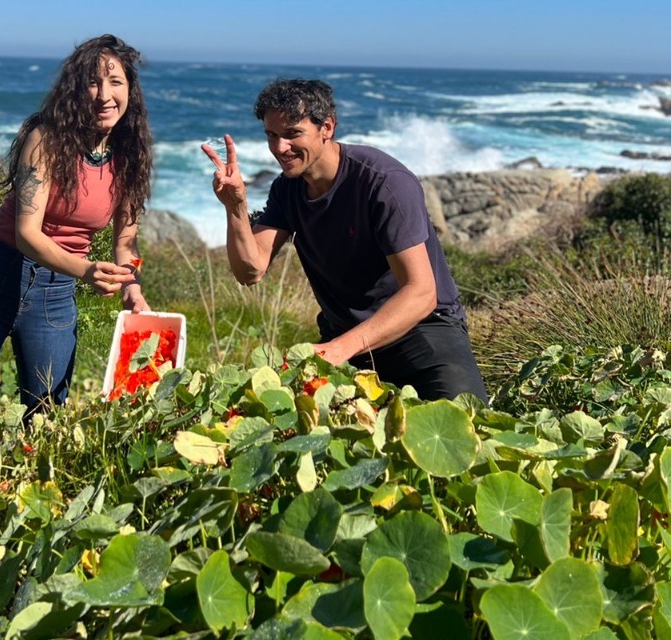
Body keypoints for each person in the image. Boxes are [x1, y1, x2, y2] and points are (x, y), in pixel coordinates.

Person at [0, 35, 153, 470]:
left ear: (130, 91)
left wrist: (130, 285)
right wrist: (86, 269)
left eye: (115, 82)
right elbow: (27, 234)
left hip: (55, 295)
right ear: (75, 90)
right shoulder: (46, 140)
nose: (104, 95)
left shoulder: (130, 156)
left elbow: (125, 242)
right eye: (92, 83)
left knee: (45, 433)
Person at [203, 78, 487, 403]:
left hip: (422, 331)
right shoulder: (286, 189)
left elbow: (421, 294)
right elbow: (250, 271)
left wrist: (339, 349)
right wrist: (236, 206)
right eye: (272, 135)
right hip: (345, 339)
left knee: (468, 428)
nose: (279, 148)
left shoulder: (384, 182)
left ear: (327, 127)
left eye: (293, 134)